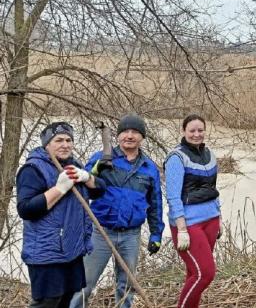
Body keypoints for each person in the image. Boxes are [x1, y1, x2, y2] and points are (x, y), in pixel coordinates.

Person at [70, 114, 164, 308]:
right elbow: (81, 185)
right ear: (118, 136)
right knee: (84, 284)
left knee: (127, 285)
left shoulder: (149, 168)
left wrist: (156, 234)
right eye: (125, 132)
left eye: (135, 132)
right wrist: (96, 169)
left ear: (142, 137)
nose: (129, 136)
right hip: (101, 232)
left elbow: (155, 203)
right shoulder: (103, 157)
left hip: (131, 236)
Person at [16, 122, 106, 308]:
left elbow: (99, 191)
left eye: (68, 140)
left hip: (72, 250)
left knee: (67, 299)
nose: (65, 144)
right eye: (58, 140)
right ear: (46, 144)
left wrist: (87, 177)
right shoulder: (32, 169)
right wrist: (59, 189)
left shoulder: (74, 165)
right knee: (47, 302)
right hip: (46, 252)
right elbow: (26, 209)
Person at [164, 114, 221, 308]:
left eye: (200, 130)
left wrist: (218, 216)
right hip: (189, 224)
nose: (196, 134)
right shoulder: (176, 158)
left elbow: (213, 189)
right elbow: (172, 196)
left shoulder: (210, 155)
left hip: (211, 220)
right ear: (184, 132)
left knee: (194, 273)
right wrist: (181, 229)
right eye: (192, 131)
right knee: (205, 273)